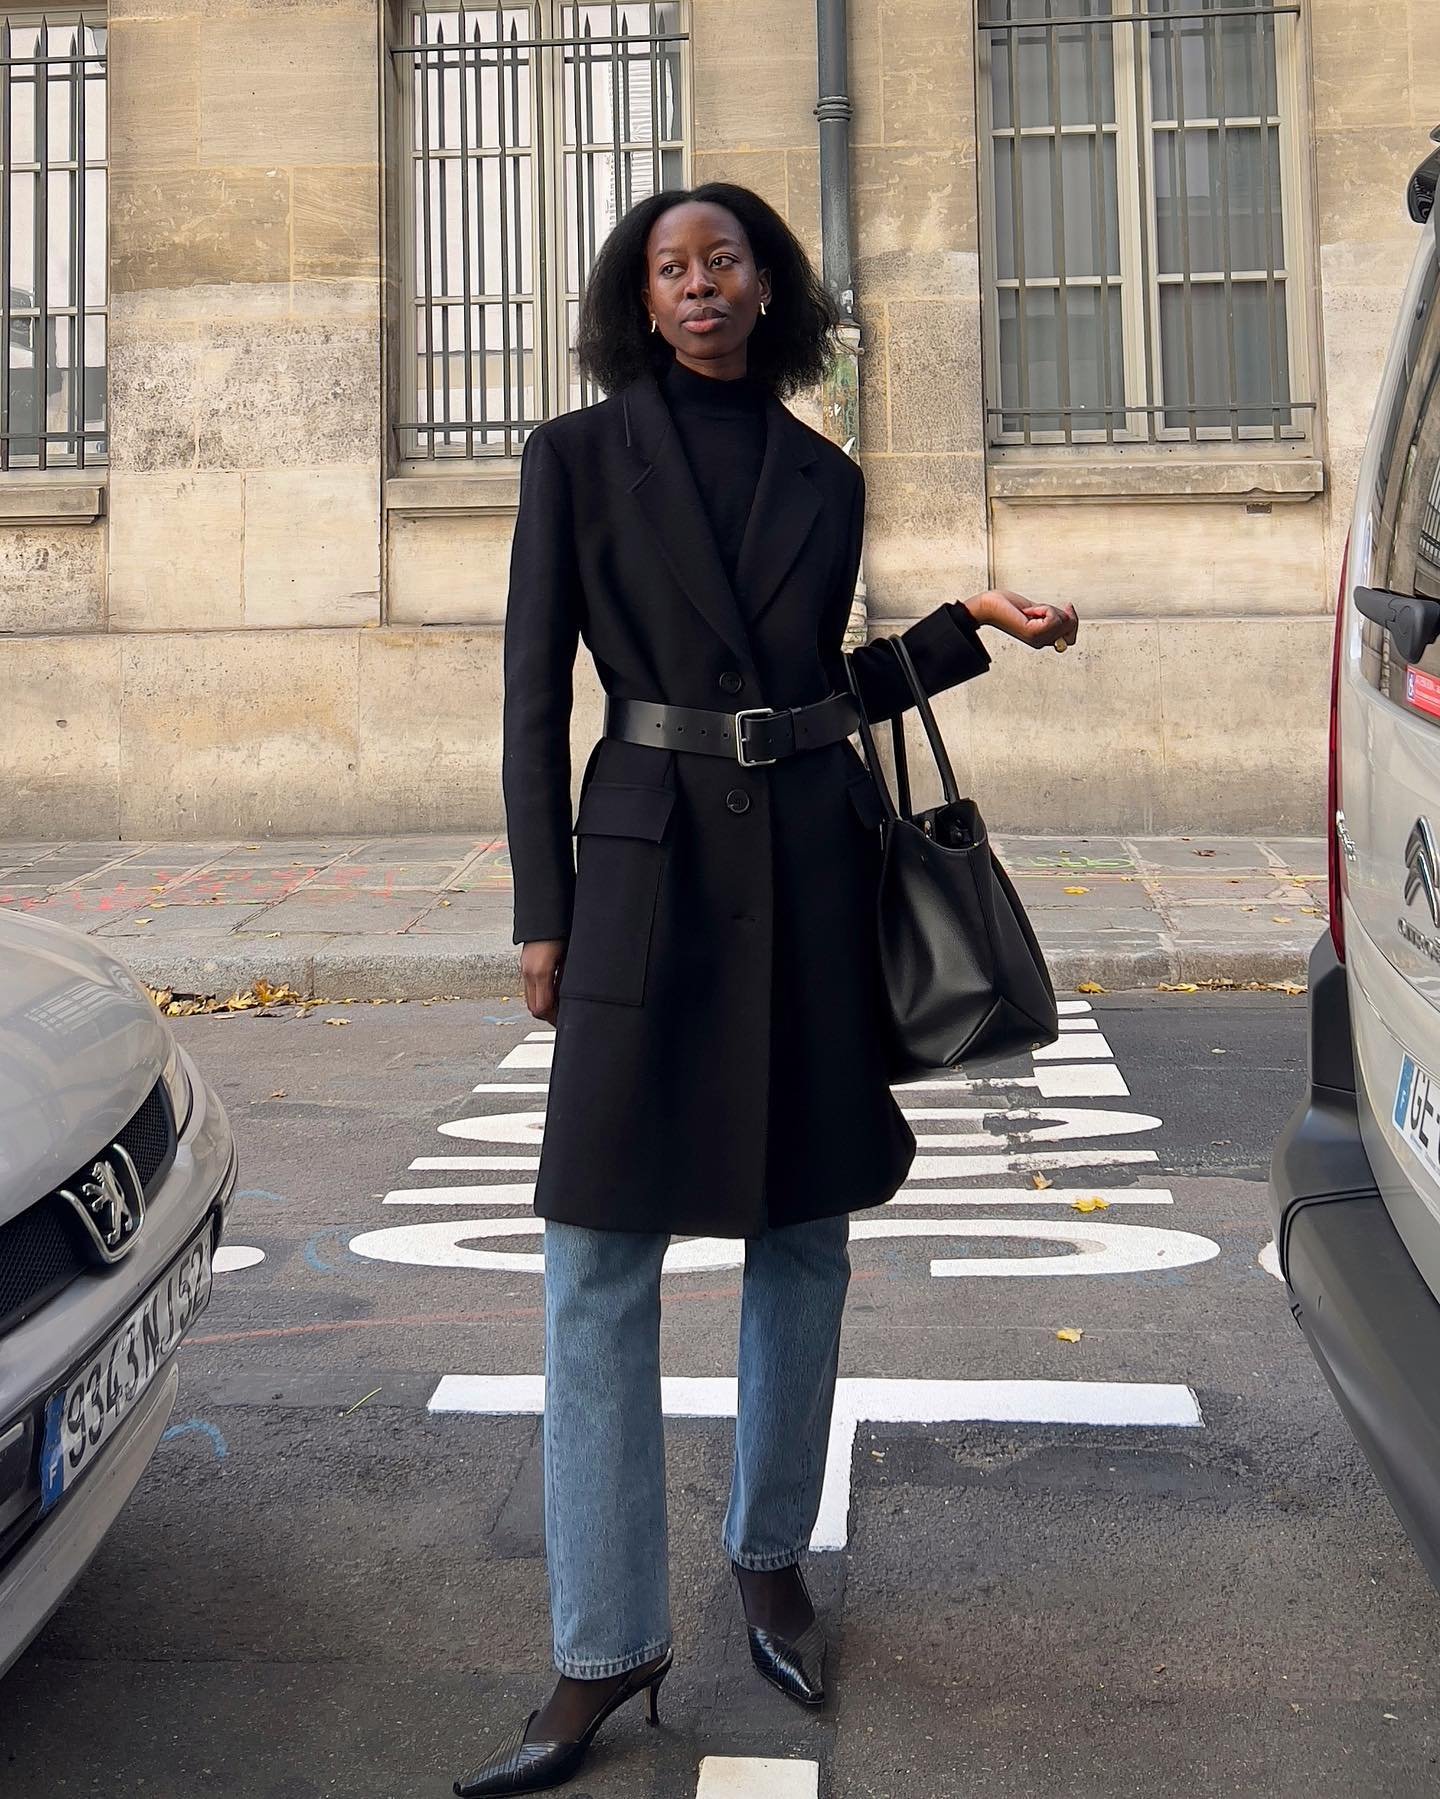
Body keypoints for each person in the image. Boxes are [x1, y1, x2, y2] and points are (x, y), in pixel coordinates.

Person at [453, 181, 1078, 1797]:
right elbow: (535, 694)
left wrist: (960, 634)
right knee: (595, 1251)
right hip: (644, 876)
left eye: (724, 259)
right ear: (642, 303)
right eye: (671, 268)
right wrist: (544, 906)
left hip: (806, 872)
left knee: (803, 1232)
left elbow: (812, 693)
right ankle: (602, 1649)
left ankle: (769, 1559)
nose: (701, 285)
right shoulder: (578, 460)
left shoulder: (826, 475)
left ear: (766, 286)